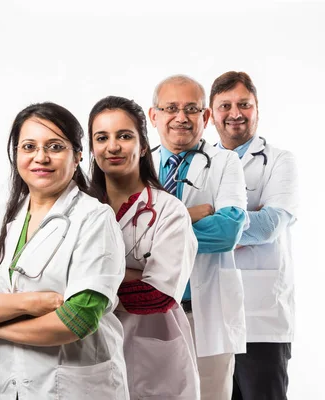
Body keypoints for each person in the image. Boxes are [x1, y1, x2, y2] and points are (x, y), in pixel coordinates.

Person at [0, 102, 130, 400]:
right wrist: (31, 302)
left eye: (55, 146)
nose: (40, 157)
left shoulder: (94, 219)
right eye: (29, 146)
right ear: (16, 154)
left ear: (78, 155)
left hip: (76, 390)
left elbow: (76, 320)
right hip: (7, 386)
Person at [88, 95, 200, 400]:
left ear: (143, 144)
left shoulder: (169, 211)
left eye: (124, 136)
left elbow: (157, 295)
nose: (112, 146)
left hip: (153, 364)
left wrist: (87, 288)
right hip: (89, 360)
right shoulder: (77, 209)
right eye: (102, 138)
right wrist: (131, 274)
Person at [148, 75, 248, 400]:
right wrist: (189, 216)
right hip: (148, 314)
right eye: (171, 108)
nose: (181, 117)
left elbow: (229, 230)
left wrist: (153, 232)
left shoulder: (225, 162)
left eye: (191, 109)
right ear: (154, 116)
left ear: (205, 117)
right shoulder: (137, 166)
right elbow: (118, 240)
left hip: (204, 314)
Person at [209, 71, 299, 400]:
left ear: (257, 108)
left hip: (261, 318)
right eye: (225, 105)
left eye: (244, 104)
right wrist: (246, 215)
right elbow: (178, 227)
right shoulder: (201, 163)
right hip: (211, 315)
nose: (235, 113)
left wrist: (215, 216)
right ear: (211, 113)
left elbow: (271, 225)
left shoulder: (279, 161)